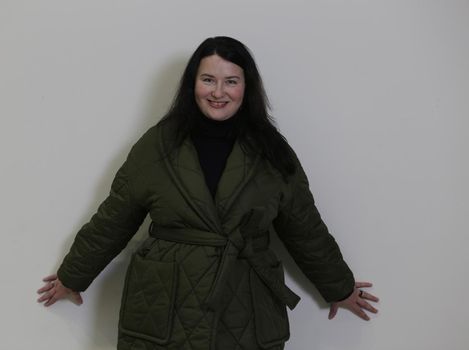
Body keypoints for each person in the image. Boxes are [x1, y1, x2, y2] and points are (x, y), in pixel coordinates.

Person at [37, 36, 378, 349]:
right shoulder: (157, 145)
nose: (219, 92)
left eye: (231, 81)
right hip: (164, 302)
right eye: (208, 80)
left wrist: (340, 288)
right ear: (192, 85)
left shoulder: (272, 151)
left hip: (243, 301)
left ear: (246, 87)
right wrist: (73, 276)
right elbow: (115, 217)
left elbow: (305, 228)